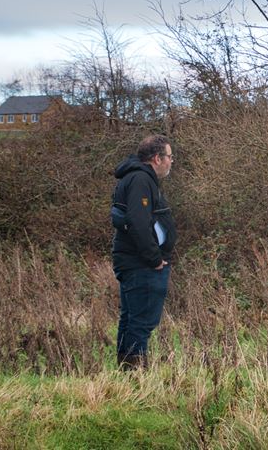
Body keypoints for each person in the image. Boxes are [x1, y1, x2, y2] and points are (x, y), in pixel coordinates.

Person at [111, 134, 177, 370]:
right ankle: (134, 375)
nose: (171, 162)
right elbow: (138, 222)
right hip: (141, 264)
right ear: (157, 158)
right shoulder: (140, 179)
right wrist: (154, 259)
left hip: (136, 261)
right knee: (140, 322)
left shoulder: (138, 178)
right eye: (169, 157)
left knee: (131, 320)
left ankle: (126, 374)